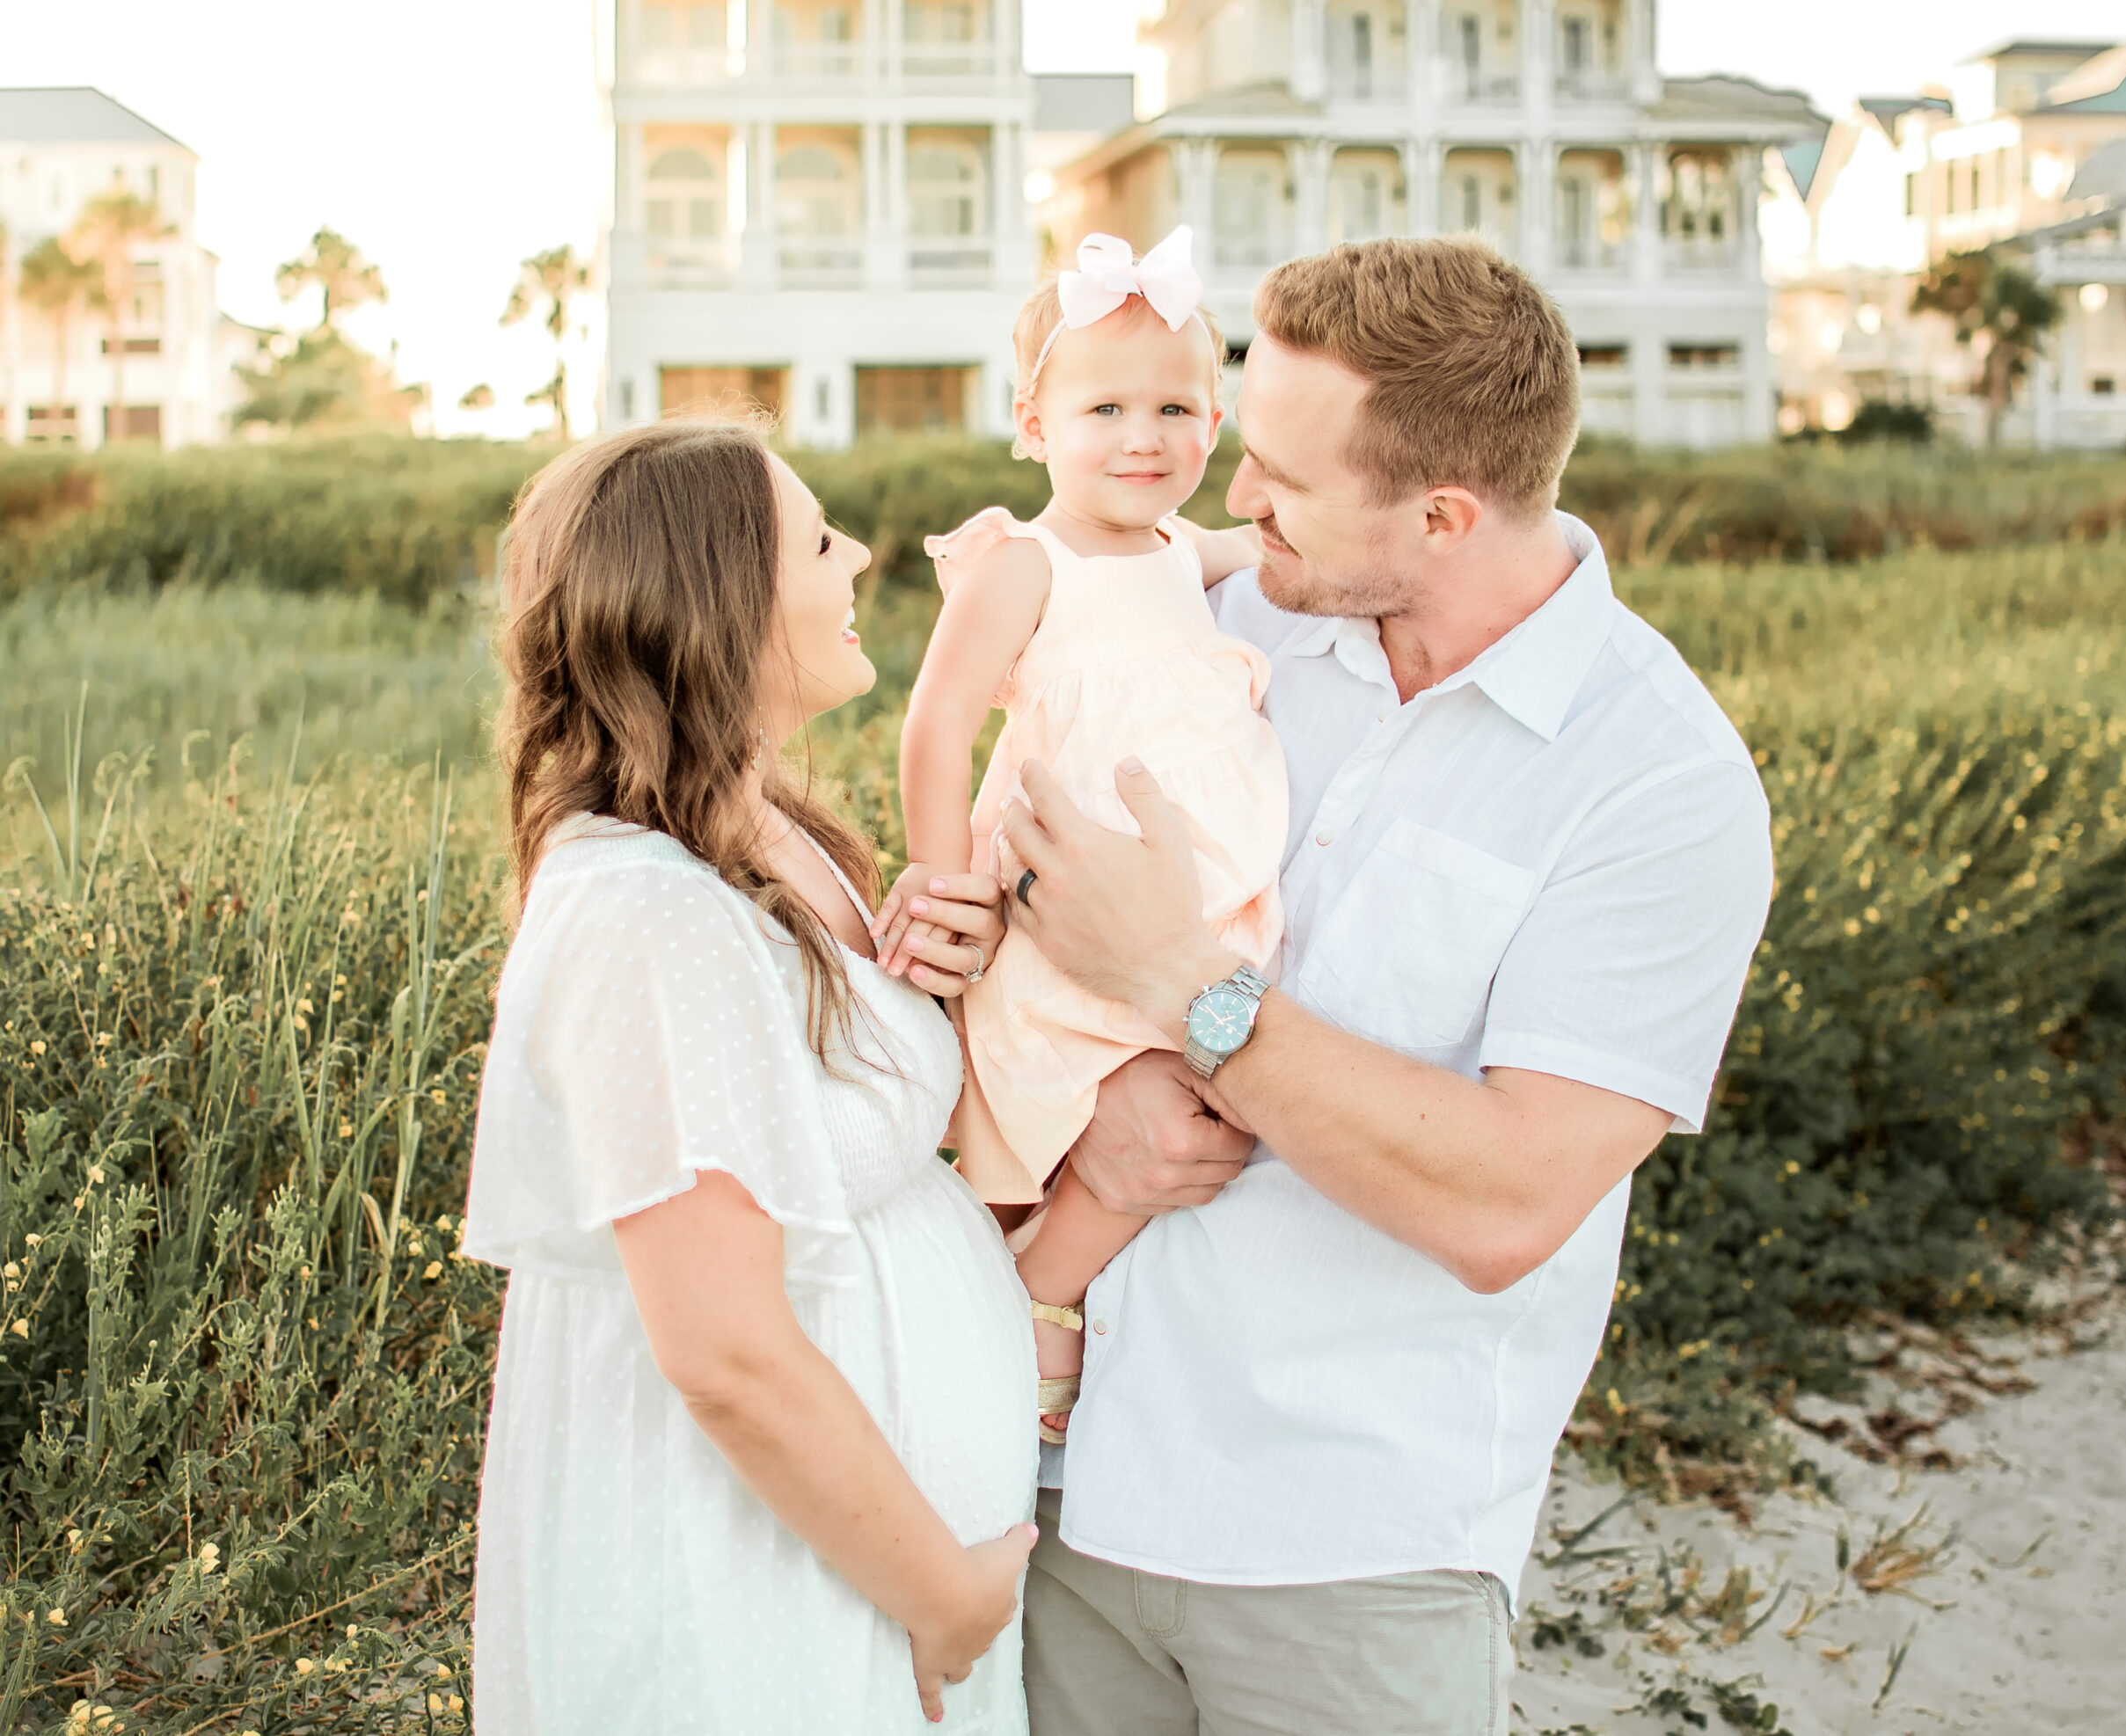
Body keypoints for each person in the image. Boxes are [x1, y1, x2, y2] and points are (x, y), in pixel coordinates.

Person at [997, 237, 1775, 1735]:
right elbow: (1044, 865)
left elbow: (1506, 1201)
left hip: (1353, 1554)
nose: (1232, 497)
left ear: (1441, 512)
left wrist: (1195, 995)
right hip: (1064, 1498)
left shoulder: (1659, 783)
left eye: (1280, 473)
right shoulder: (1227, 621)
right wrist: (1088, 1105)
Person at [463, 419, 1039, 1733]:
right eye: (822, 541)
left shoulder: (763, 822)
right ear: (721, 599)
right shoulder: (643, 911)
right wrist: (941, 1591)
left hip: (849, 1570)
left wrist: (954, 964)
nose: (861, 560)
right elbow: (722, 1347)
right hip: (767, 1578)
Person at [868, 227, 1282, 1445]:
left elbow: (1278, 547)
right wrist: (947, 884)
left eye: (1177, 407)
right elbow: (937, 725)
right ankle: (1033, 1284)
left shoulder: (1182, 553)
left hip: (1188, 904)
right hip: (1062, 897)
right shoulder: (1026, 563)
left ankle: (1040, 1282)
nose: (1144, 437)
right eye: (1104, 407)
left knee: (1212, 1094)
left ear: (1217, 423)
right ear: (1036, 424)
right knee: (1117, 1094)